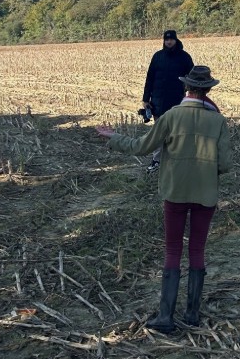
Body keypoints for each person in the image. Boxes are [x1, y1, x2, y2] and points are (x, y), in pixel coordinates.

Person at [97, 65, 232, 333]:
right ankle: (192, 313)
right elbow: (225, 164)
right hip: (206, 194)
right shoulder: (218, 121)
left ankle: (166, 316)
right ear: (208, 90)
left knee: (172, 250)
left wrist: (114, 137)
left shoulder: (171, 117)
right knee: (197, 251)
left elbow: (141, 147)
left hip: (175, 193)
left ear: (186, 87)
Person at [142, 30, 194, 173]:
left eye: (171, 39)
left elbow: (192, 78)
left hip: (177, 100)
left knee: (177, 132)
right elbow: (150, 78)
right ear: (164, 41)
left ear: (176, 40)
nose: (169, 42)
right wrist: (146, 99)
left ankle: (176, 160)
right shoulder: (157, 57)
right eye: (166, 39)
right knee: (158, 133)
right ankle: (156, 160)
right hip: (157, 101)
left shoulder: (184, 57)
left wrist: (193, 97)